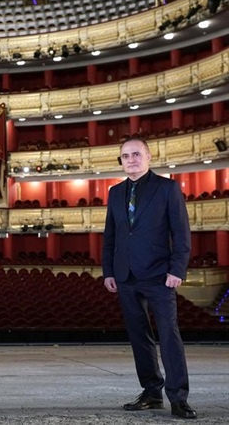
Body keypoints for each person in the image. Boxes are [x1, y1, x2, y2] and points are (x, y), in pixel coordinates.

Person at [102, 136, 196, 419]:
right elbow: (111, 235)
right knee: (139, 337)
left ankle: (178, 397)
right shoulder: (115, 192)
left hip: (159, 275)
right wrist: (108, 270)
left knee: (169, 335)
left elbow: (181, 233)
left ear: (148, 157)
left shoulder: (168, 188)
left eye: (135, 154)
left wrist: (177, 269)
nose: (130, 159)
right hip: (126, 275)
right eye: (125, 155)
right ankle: (152, 393)